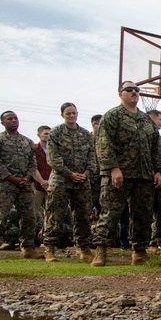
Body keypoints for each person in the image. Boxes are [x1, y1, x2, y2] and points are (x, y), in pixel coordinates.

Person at [91, 81, 161, 266]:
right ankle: (101, 251)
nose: (134, 92)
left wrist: (157, 171)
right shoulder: (112, 116)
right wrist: (112, 168)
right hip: (119, 174)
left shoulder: (146, 120)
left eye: (136, 90)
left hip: (143, 175)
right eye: (129, 90)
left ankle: (139, 252)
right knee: (110, 213)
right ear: (120, 94)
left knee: (143, 215)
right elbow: (104, 143)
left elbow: (156, 148)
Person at [0, 111, 46, 260]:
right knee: (0, 216)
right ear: (3, 123)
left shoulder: (27, 142)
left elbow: (33, 163)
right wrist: (12, 178)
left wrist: (27, 177)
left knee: (29, 217)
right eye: (9, 119)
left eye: (15, 118)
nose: (13, 121)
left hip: (25, 185)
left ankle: (28, 248)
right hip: (5, 185)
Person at [43, 103, 97, 263]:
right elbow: (53, 158)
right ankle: (50, 249)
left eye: (74, 113)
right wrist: (70, 174)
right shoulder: (56, 133)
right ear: (63, 115)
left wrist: (86, 174)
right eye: (68, 114)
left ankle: (84, 249)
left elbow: (92, 158)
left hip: (82, 182)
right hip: (61, 181)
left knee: (83, 217)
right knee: (55, 215)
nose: (72, 116)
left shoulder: (86, 135)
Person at [146, 110, 161, 252]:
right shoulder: (145, 137)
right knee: (145, 213)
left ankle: (157, 241)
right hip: (147, 180)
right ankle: (145, 243)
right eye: (159, 119)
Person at [33, 124, 52, 244]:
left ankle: (48, 240)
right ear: (39, 135)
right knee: (32, 214)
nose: (47, 136)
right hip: (37, 186)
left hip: (51, 187)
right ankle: (30, 240)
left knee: (50, 215)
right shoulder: (34, 149)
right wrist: (42, 182)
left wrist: (49, 183)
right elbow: (32, 167)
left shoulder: (54, 149)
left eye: (49, 133)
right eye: (45, 133)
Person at [89, 114, 103, 220]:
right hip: (89, 181)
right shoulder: (86, 140)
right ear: (94, 125)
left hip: (103, 180)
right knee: (87, 210)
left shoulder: (105, 141)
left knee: (103, 210)